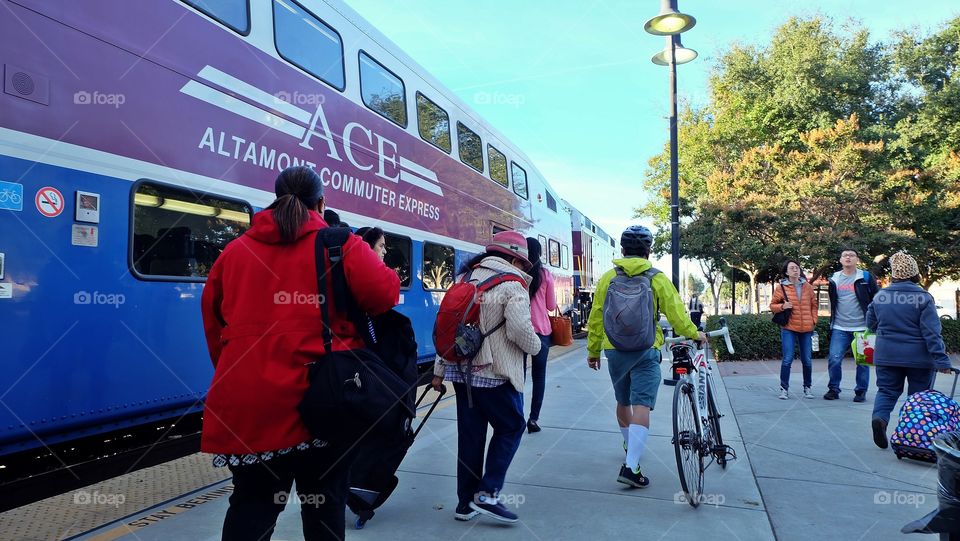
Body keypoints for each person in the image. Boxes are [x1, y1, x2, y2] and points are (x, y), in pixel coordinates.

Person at [200, 166, 400, 541]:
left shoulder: (234, 252)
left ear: (275, 199)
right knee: (324, 506)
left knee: (251, 507)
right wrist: (377, 259)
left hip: (249, 402)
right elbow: (385, 295)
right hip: (323, 400)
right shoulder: (340, 244)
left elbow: (215, 326)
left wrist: (240, 373)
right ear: (321, 203)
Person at [431, 231, 543, 524]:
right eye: (523, 263)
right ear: (515, 259)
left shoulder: (465, 278)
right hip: (493, 373)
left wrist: (439, 371)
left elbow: (448, 328)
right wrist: (537, 346)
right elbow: (519, 330)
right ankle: (488, 493)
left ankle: (465, 504)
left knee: (471, 436)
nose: (524, 268)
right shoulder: (513, 284)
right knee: (512, 427)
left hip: (461, 373)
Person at [586, 225, 705, 488]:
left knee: (623, 400)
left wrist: (593, 350)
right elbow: (676, 314)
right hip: (646, 349)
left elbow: (596, 317)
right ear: (648, 251)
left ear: (622, 250)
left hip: (614, 349)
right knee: (641, 404)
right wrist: (694, 333)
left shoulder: (608, 278)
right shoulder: (657, 278)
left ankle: (631, 446)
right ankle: (631, 467)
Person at [867, 251, 954, 449]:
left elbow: (871, 324)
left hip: (887, 354)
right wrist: (941, 360)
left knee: (887, 391)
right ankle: (912, 436)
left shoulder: (881, 296)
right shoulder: (923, 297)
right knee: (918, 398)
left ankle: (880, 418)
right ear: (914, 273)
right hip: (919, 358)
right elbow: (932, 333)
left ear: (894, 274)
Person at [825, 248, 880, 401]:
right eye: (845, 255)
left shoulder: (865, 277)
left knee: (863, 362)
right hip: (839, 327)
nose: (848, 257)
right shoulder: (834, 278)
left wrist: (874, 321)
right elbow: (833, 301)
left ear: (857, 260)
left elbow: (877, 298)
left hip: (862, 327)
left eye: (852, 255)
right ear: (840, 260)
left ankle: (861, 391)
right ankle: (833, 389)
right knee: (834, 359)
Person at [769, 259, 819, 399]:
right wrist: (782, 306)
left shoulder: (808, 286)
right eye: (792, 268)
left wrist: (814, 320)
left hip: (807, 328)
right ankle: (784, 389)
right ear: (786, 272)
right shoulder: (781, 288)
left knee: (807, 360)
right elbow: (772, 306)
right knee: (787, 359)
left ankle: (807, 387)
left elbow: (814, 305)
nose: (795, 270)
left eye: (797, 267)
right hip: (789, 327)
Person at [524, 237, 557, 434]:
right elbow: (551, 306)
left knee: (517, 376)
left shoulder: (518, 273)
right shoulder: (546, 275)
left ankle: (516, 417)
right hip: (541, 332)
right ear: (540, 253)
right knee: (539, 377)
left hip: (519, 330)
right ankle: (533, 419)